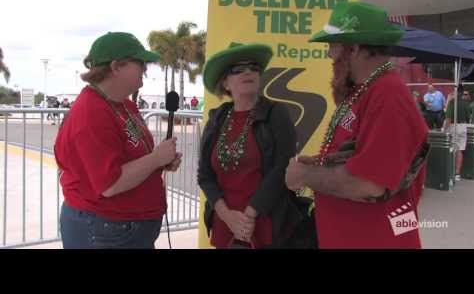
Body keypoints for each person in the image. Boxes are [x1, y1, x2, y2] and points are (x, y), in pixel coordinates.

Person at [285, 1, 429, 249]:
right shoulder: (364, 91)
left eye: (333, 46)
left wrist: (304, 175)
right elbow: (360, 157)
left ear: (354, 48)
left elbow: (371, 185)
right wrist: (322, 163)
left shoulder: (388, 94)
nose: (330, 55)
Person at [54, 32, 182, 249]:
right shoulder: (91, 111)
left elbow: (132, 159)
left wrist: (160, 161)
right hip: (105, 229)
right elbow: (110, 184)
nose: (145, 69)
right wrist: (155, 159)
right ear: (115, 67)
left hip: (126, 229)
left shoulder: (124, 105)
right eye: (140, 63)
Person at [197, 42, 304, 249]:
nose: (248, 72)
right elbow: (204, 175)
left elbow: (282, 168)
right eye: (238, 69)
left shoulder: (276, 113)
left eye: (254, 67)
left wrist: (247, 217)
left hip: (265, 225)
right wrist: (227, 216)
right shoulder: (217, 118)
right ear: (225, 83)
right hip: (224, 224)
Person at [444, 86, 471, 181]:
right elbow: (468, 118)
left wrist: (444, 129)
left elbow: (448, 118)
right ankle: (457, 173)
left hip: (453, 126)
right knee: (460, 150)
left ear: (455, 92)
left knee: (452, 149)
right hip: (463, 127)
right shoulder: (465, 103)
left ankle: (450, 171)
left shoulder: (452, 102)